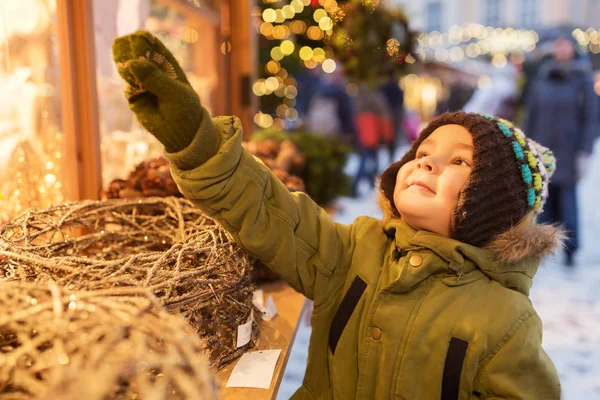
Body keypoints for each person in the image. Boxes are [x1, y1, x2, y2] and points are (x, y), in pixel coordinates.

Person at [113, 31, 562, 399]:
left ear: (494, 202)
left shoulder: (504, 320)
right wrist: (196, 138)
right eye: (423, 152)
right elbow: (269, 210)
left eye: (459, 161)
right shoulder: (354, 252)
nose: (426, 162)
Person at [524, 35, 598, 266]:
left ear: (573, 49)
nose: (561, 48)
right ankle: (541, 249)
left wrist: (584, 151)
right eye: (558, 44)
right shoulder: (542, 78)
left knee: (567, 202)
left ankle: (570, 250)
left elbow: (591, 118)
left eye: (566, 44)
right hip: (542, 148)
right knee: (543, 201)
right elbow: (531, 115)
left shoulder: (583, 80)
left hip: (568, 151)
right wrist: (526, 146)